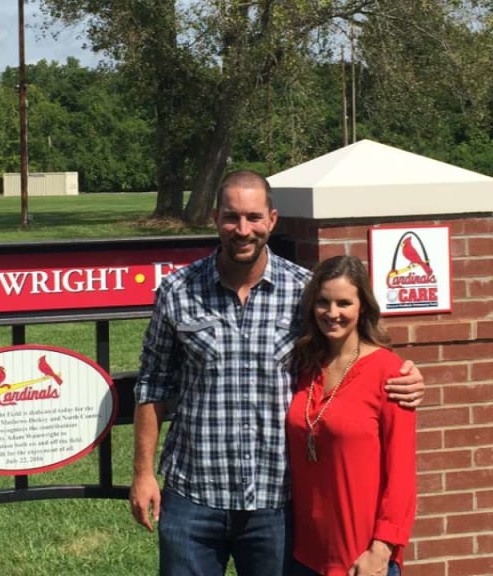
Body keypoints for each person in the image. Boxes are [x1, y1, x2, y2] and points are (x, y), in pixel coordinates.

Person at [128, 170, 424, 576]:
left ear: (272, 220)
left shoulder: (303, 292)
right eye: (232, 217)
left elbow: (349, 350)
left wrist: (404, 374)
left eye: (253, 217)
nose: (243, 229)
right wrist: (143, 473)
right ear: (216, 218)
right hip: (193, 495)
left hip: (276, 502)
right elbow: (152, 384)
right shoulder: (178, 290)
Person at [286, 256, 416, 576]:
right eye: (323, 302)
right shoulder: (305, 368)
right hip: (305, 555)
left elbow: (402, 475)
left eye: (344, 303)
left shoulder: (390, 373)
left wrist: (381, 549)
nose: (332, 314)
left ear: (363, 307)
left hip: (362, 559)